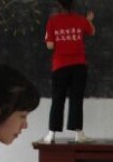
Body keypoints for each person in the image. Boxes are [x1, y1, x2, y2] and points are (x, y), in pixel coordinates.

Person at [42, 0, 95, 144]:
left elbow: (50, 45)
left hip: (60, 66)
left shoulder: (53, 21)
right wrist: (89, 20)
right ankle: (78, 134)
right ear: (73, 5)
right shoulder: (81, 20)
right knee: (76, 99)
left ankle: (51, 134)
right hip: (79, 65)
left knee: (57, 99)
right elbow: (92, 31)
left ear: (59, 6)